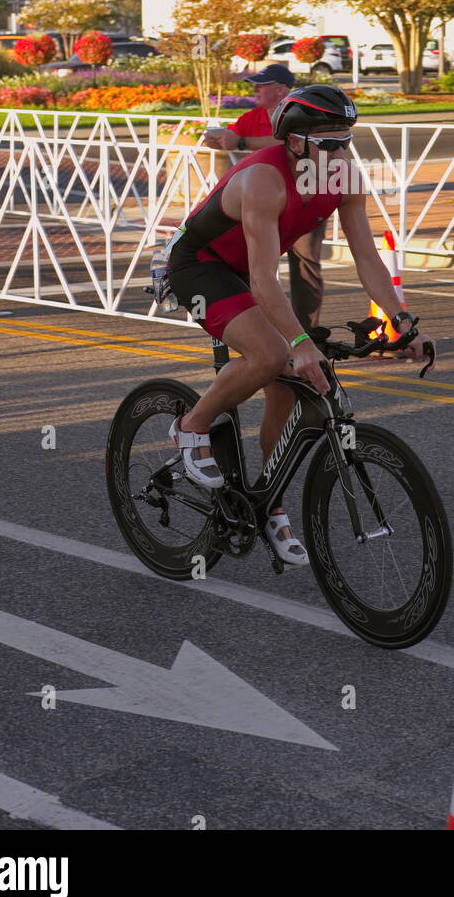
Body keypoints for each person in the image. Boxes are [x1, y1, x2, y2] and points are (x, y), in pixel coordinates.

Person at [165, 85, 435, 567]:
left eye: (346, 141)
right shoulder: (264, 181)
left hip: (247, 270)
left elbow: (367, 257)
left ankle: (267, 501)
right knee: (273, 355)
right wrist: (298, 341)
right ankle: (191, 426)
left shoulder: (345, 177)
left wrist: (403, 321)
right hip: (200, 264)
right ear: (294, 142)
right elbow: (267, 280)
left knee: (288, 384)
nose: (339, 153)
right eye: (327, 143)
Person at [204, 64, 326, 334]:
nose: (255, 89)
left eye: (262, 84)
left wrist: (242, 142)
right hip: (265, 199)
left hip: (306, 194)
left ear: (281, 90)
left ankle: (308, 333)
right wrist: (218, 137)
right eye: (255, 85)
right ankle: (260, 328)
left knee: (305, 260)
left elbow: (288, 143)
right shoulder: (253, 116)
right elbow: (234, 136)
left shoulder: (301, 113)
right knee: (252, 261)